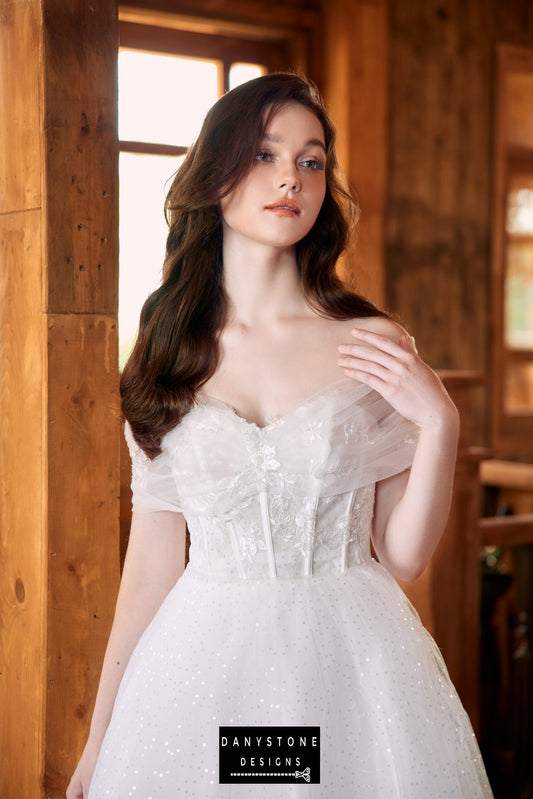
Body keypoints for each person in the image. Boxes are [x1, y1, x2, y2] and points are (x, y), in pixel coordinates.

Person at [67, 72, 493, 798]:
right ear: (215, 173)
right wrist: (100, 737)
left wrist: (439, 422)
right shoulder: (166, 354)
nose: (290, 178)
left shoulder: (370, 342)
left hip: (351, 666)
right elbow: (150, 568)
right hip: (202, 669)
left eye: (311, 160)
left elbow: (406, 553)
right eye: (264, 154)